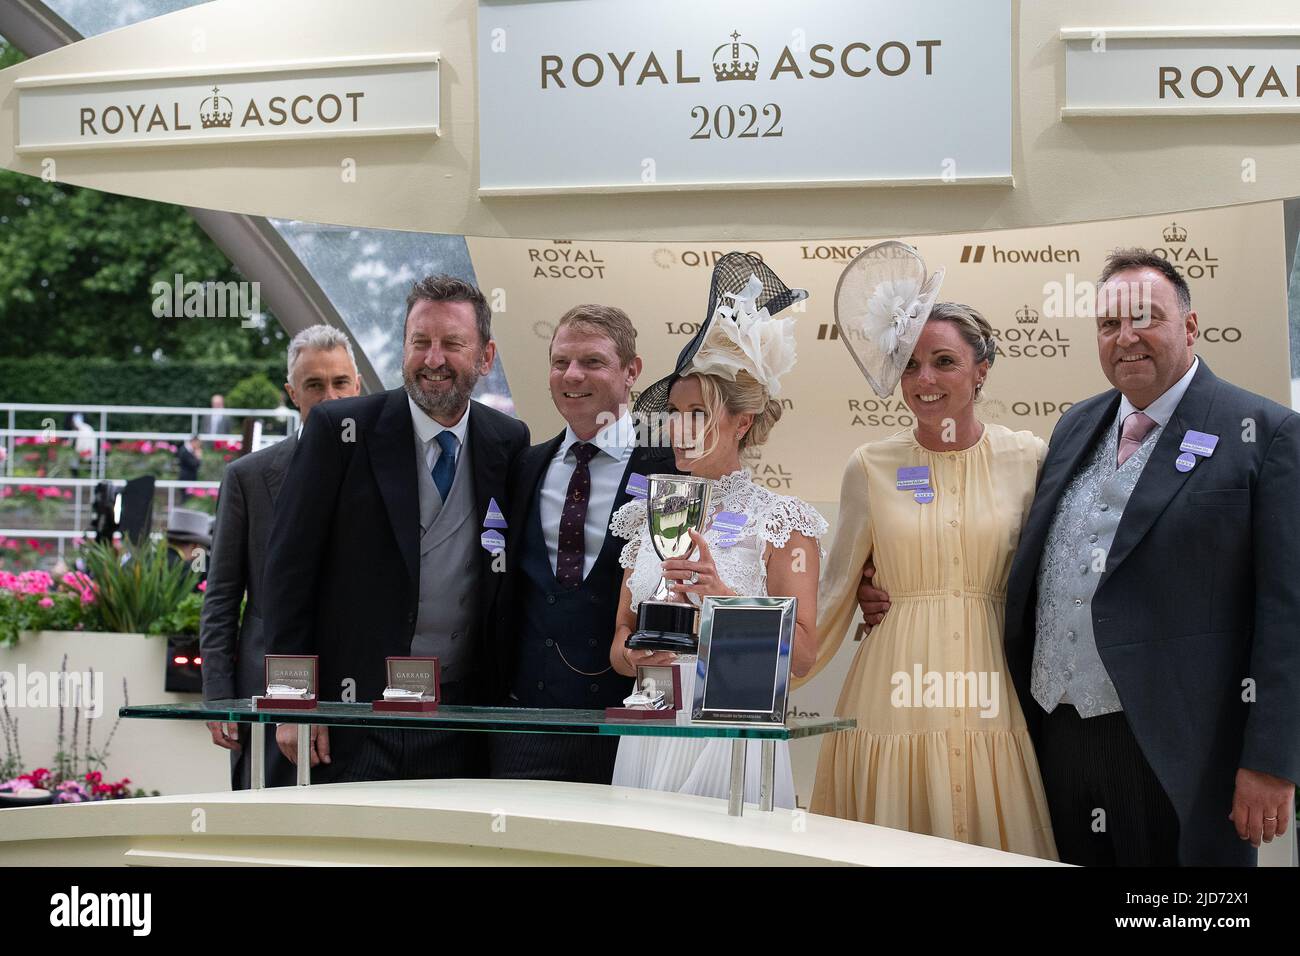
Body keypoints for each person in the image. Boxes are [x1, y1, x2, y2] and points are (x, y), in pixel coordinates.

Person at [1003, 249, 1299, 865]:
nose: (1126, 337)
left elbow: (1288, 613)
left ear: (1190, 326)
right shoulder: (1076, 425)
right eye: (1109, 325)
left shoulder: (1265, 433)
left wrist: (1271, 761)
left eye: (1145, 318)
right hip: (1058, 732)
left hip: (1180, 749)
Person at [808, 268, 1057, 858]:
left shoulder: (1029, 458)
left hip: (994, 690)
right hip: (889, 697)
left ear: (982, 371)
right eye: (910, 364)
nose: (924, 379)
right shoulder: (869, 465)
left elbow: (1056, 577)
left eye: (944, 361)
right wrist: (744, 674)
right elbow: (837, 591)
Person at [264, 276, 529, 782]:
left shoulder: (508, 441)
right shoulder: (338, 432)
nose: (433, 359)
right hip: (352, 714)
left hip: (461, 718)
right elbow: (287, 572)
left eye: (452, 344)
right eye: (420, 342)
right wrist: (292, 700)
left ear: (485, 356)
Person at [609, 254, 825, 808]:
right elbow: (619, 640)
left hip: (730, 730)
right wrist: (637, 658)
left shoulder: (782, 524)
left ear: (742, 421)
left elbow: (801, 658)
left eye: (697, 413)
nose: (678, 428)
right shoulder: (645, 515)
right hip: (649, 728)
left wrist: (722, 599)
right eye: (674, 412)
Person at [488, 305, 677, 784]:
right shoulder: (522, 466)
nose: (572, 375)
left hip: (634, 729)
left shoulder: (672, 468)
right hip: (524, 725)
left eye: (592, 361)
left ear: (631, 371)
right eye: (560, 362)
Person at [199, 324, 362, 789]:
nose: (328, 397)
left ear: (358, 386)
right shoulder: (248, 478)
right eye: (314, 385)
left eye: (339, 383)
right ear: (293, 392)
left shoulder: (391, 473)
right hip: (266, 692)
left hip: (363, 695)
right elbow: (222, 596)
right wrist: (217, 697)